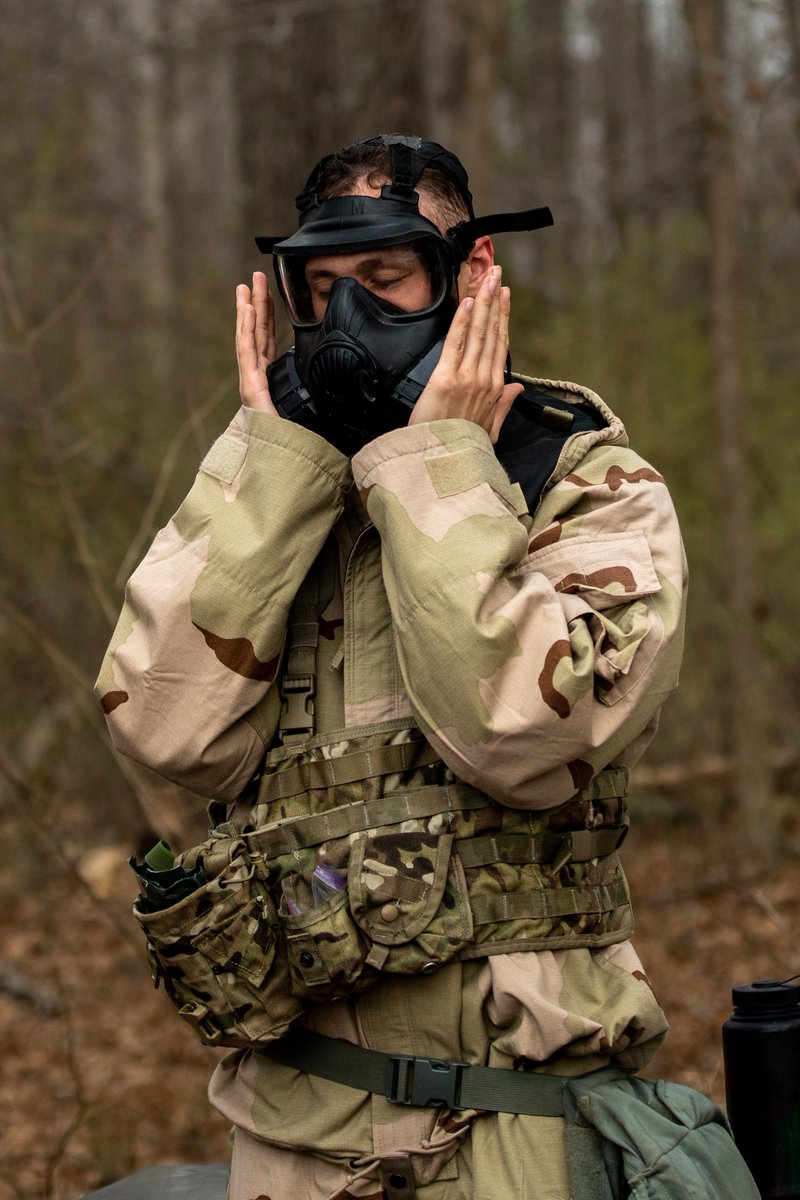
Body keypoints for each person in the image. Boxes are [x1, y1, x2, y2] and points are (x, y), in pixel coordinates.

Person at [97, 135, 688, 1200]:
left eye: (383, 280)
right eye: (321, 290)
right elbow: (161, 730)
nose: (349, 320)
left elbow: (527, 740)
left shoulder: (572, 471)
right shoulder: (268, 481)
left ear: (470, 276)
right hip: (289, 1124)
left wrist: (436, 469)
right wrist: (278, 469)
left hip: (508, 1123)